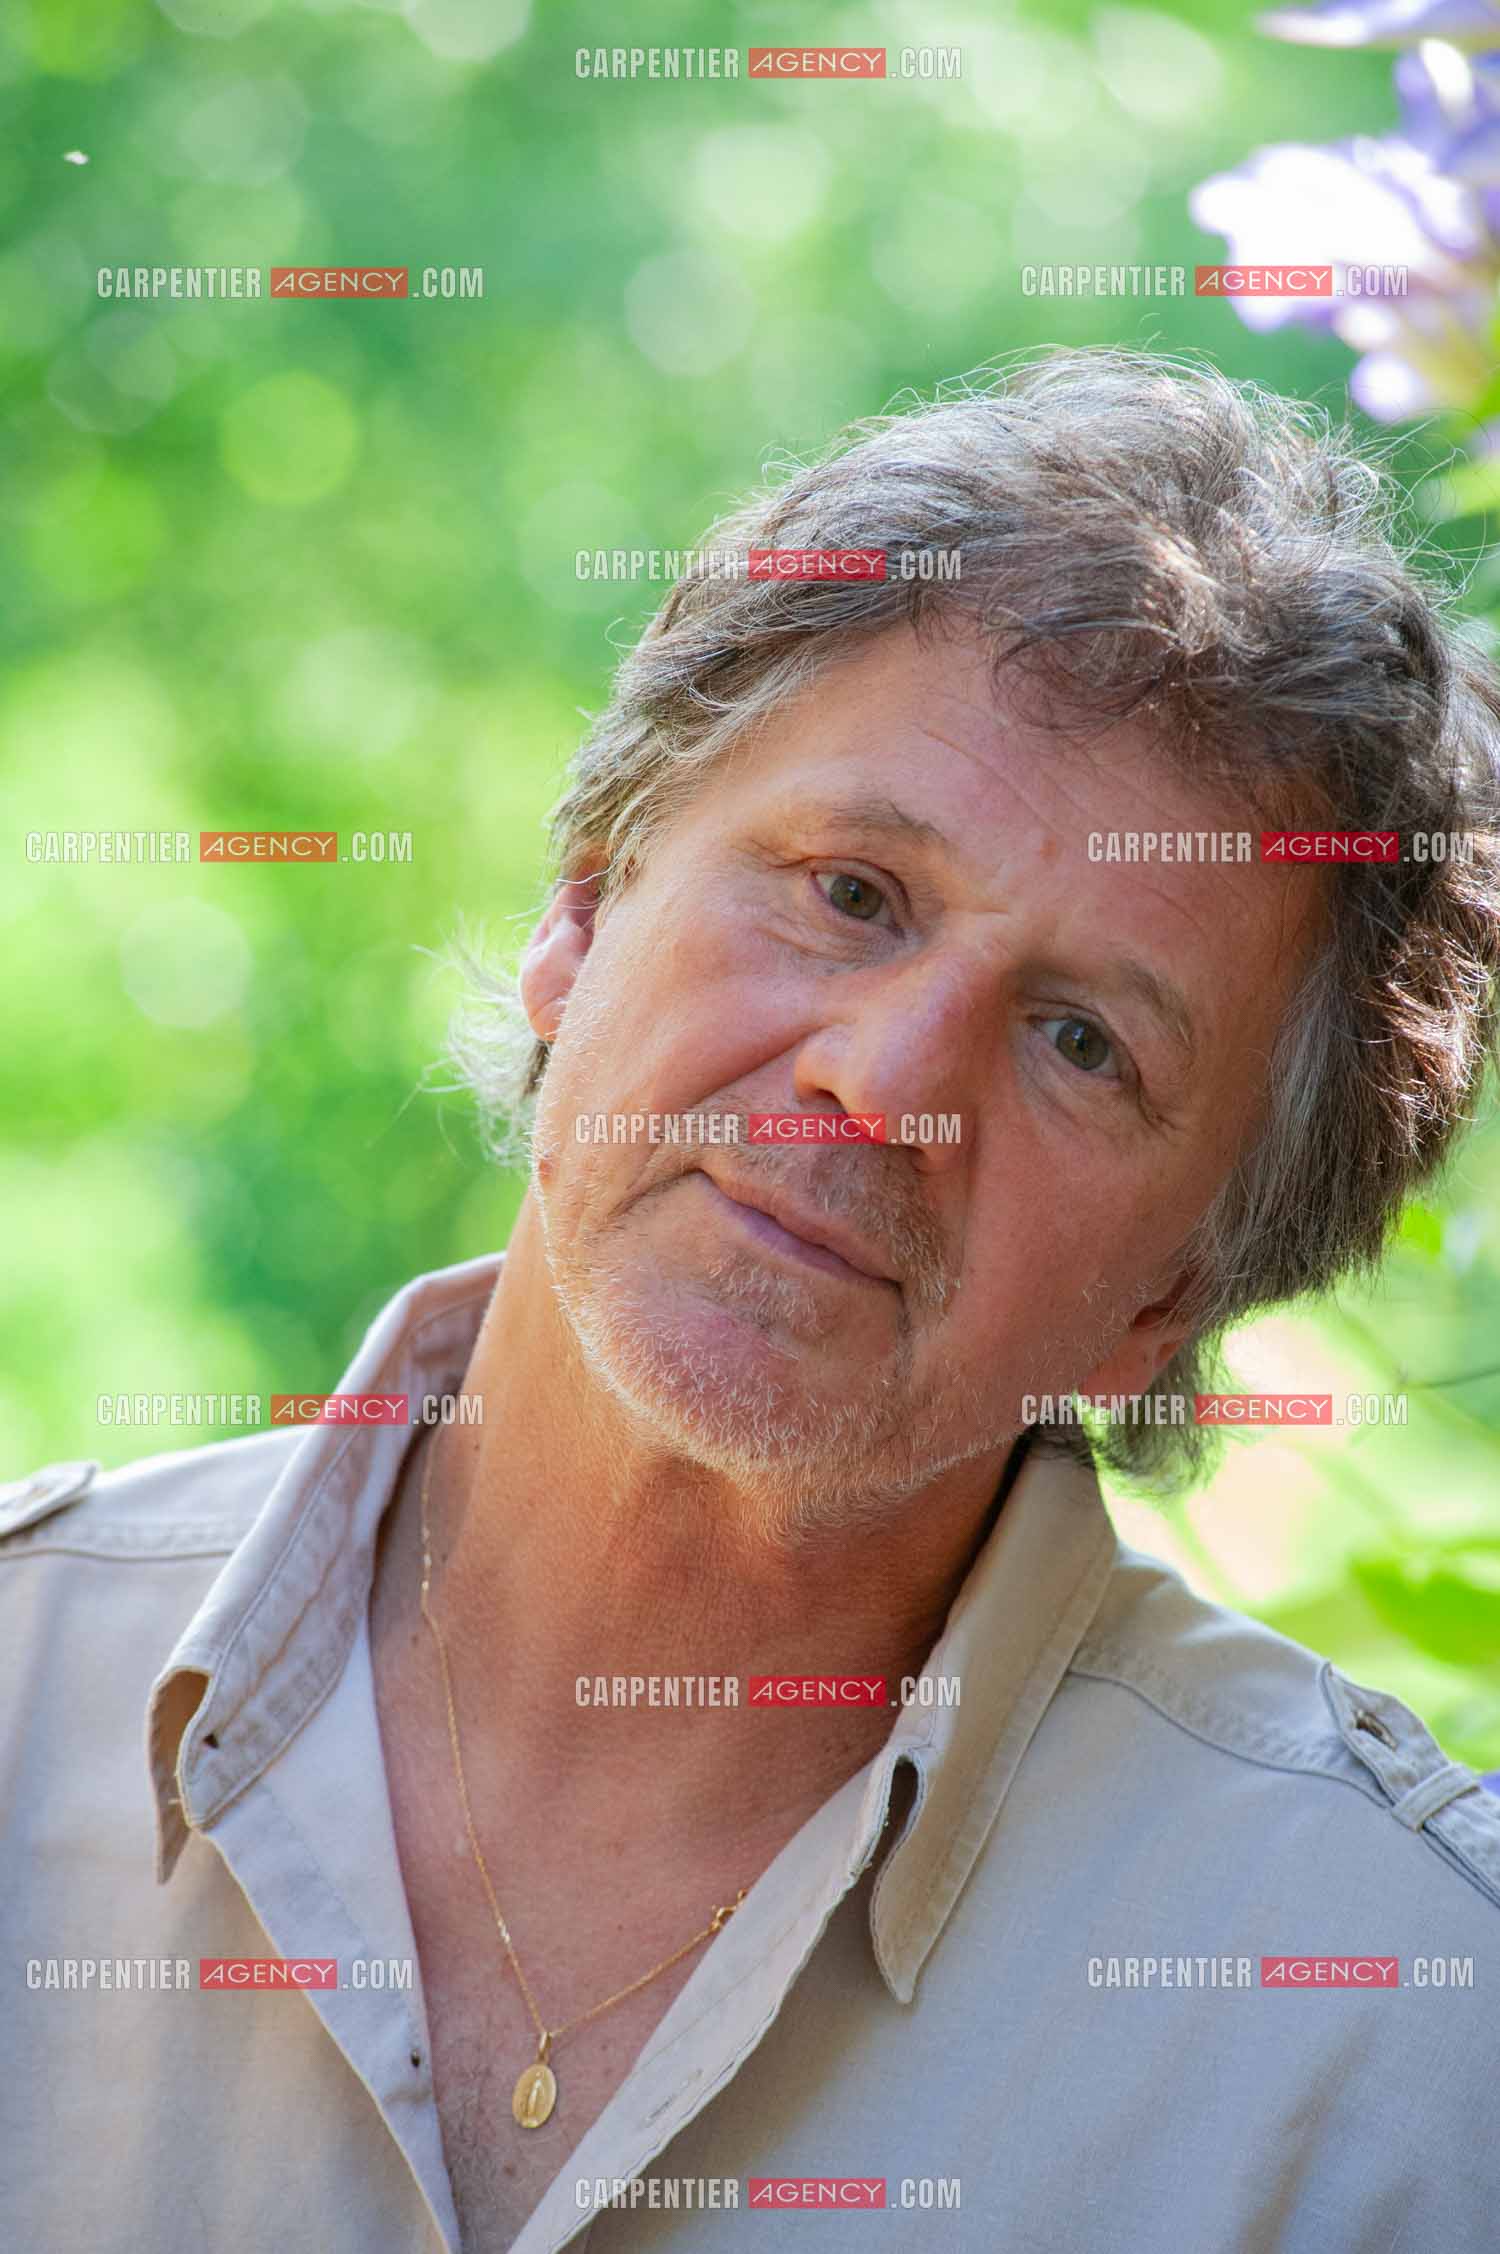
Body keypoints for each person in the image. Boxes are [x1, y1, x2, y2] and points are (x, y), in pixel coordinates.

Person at [5, 347, 1500, 2254]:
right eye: (852, 892)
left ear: (1176, 1297)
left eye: (1078, 1041)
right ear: (580, 911)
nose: (885, 1083)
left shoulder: (1395, 2052)